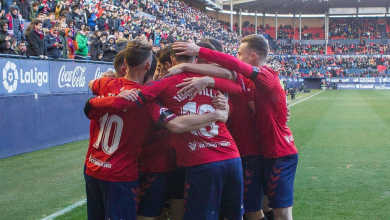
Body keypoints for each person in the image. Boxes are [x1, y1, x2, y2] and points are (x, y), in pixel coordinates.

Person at [88, 42, 245, 220]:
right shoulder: (211, 81)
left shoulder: (162, 85)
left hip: (197, 161)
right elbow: (236, 81)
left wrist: (95, 102)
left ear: (171, 61)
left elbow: (169, 120)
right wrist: (217, 102)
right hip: (230, 156)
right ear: (196, 59)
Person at [171, 35, 299, 220]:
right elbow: (226, 72)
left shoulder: (266, 75)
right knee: (256, 208)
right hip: (258, 152)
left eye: (239, 53)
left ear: (253, 56)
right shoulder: (244, 80)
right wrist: (201, 76)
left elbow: (234, 66)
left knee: (280, 213)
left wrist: (197, 52)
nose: (236, 57)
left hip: (279, 153)